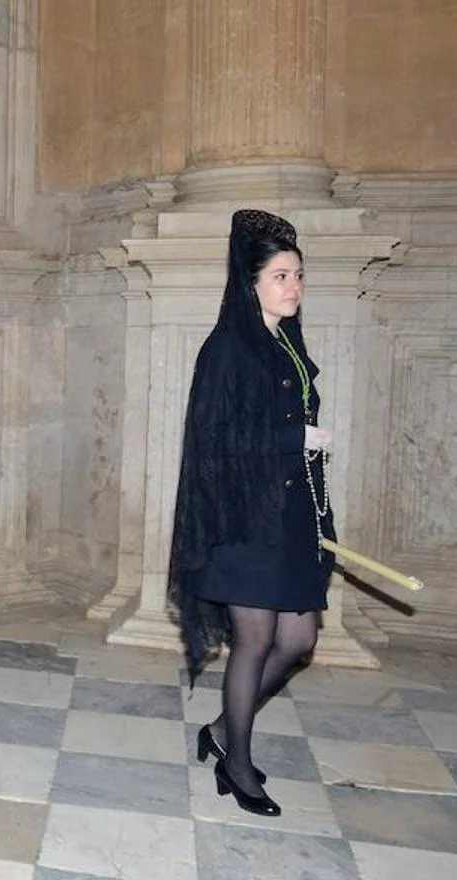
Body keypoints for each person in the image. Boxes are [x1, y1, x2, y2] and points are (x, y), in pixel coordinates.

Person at [170, 209, 335, 819]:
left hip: (290, 517)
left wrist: (322, 518)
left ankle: (219, 728)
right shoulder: (227, 351)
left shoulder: (287, 343)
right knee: (256, 638)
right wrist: (297, 441)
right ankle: (237, 762)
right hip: (241, 519)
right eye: (281, 277)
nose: (294, 288)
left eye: (297, 276)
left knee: (299, 638)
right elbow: (214, 440)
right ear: (252, 283)